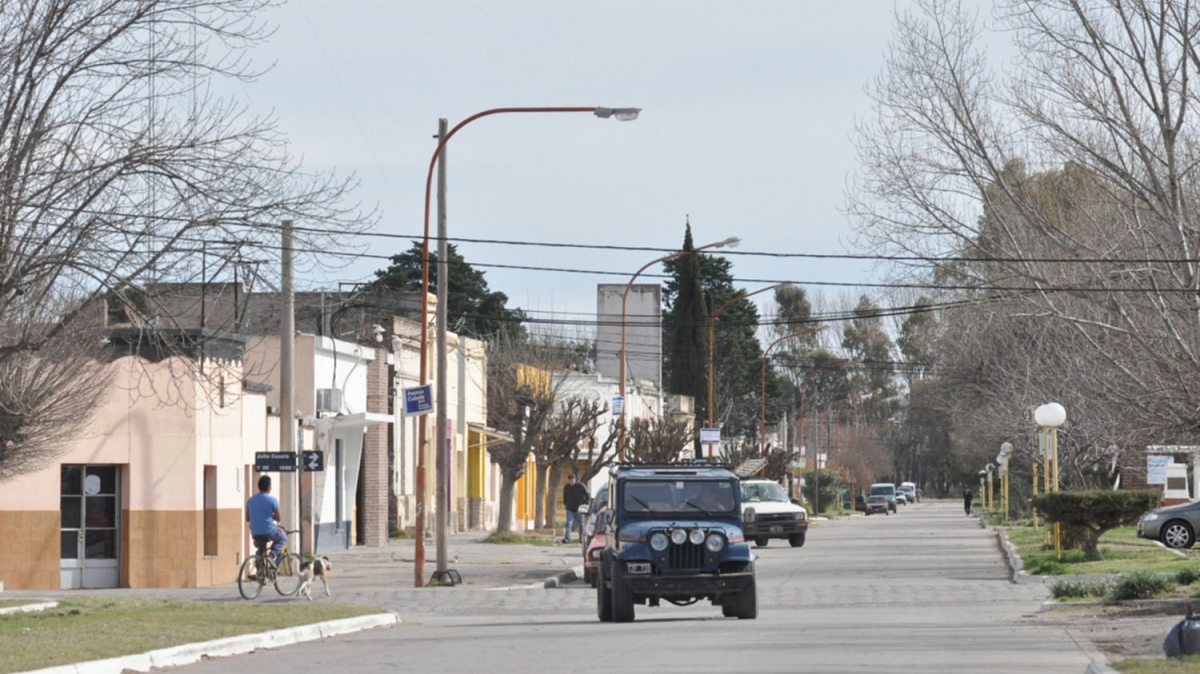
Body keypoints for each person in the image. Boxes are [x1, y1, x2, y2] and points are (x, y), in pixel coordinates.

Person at [247, 475, 287, 565]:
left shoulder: (251, 500)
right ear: (269, 487)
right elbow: (278, 518)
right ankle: (271, 556)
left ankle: (259, 571)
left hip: (255, 531)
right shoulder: (272, 500)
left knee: (261, 550)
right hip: (268, 530)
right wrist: (271, 516)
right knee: (283, 537)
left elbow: (247, 518)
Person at [562, 474, 588, 543]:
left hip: (579, 508)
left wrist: (585, 503)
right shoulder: (567, 487)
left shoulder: (581, 486)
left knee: (581, 524)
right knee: (569, 523)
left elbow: (587, 494)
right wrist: (565, 503)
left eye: (572, 480)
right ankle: (567, 538)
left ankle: (582, 539)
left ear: (575, 479)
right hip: (570, 508)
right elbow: (564, 496)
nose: (571, 481)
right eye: (570, 480)